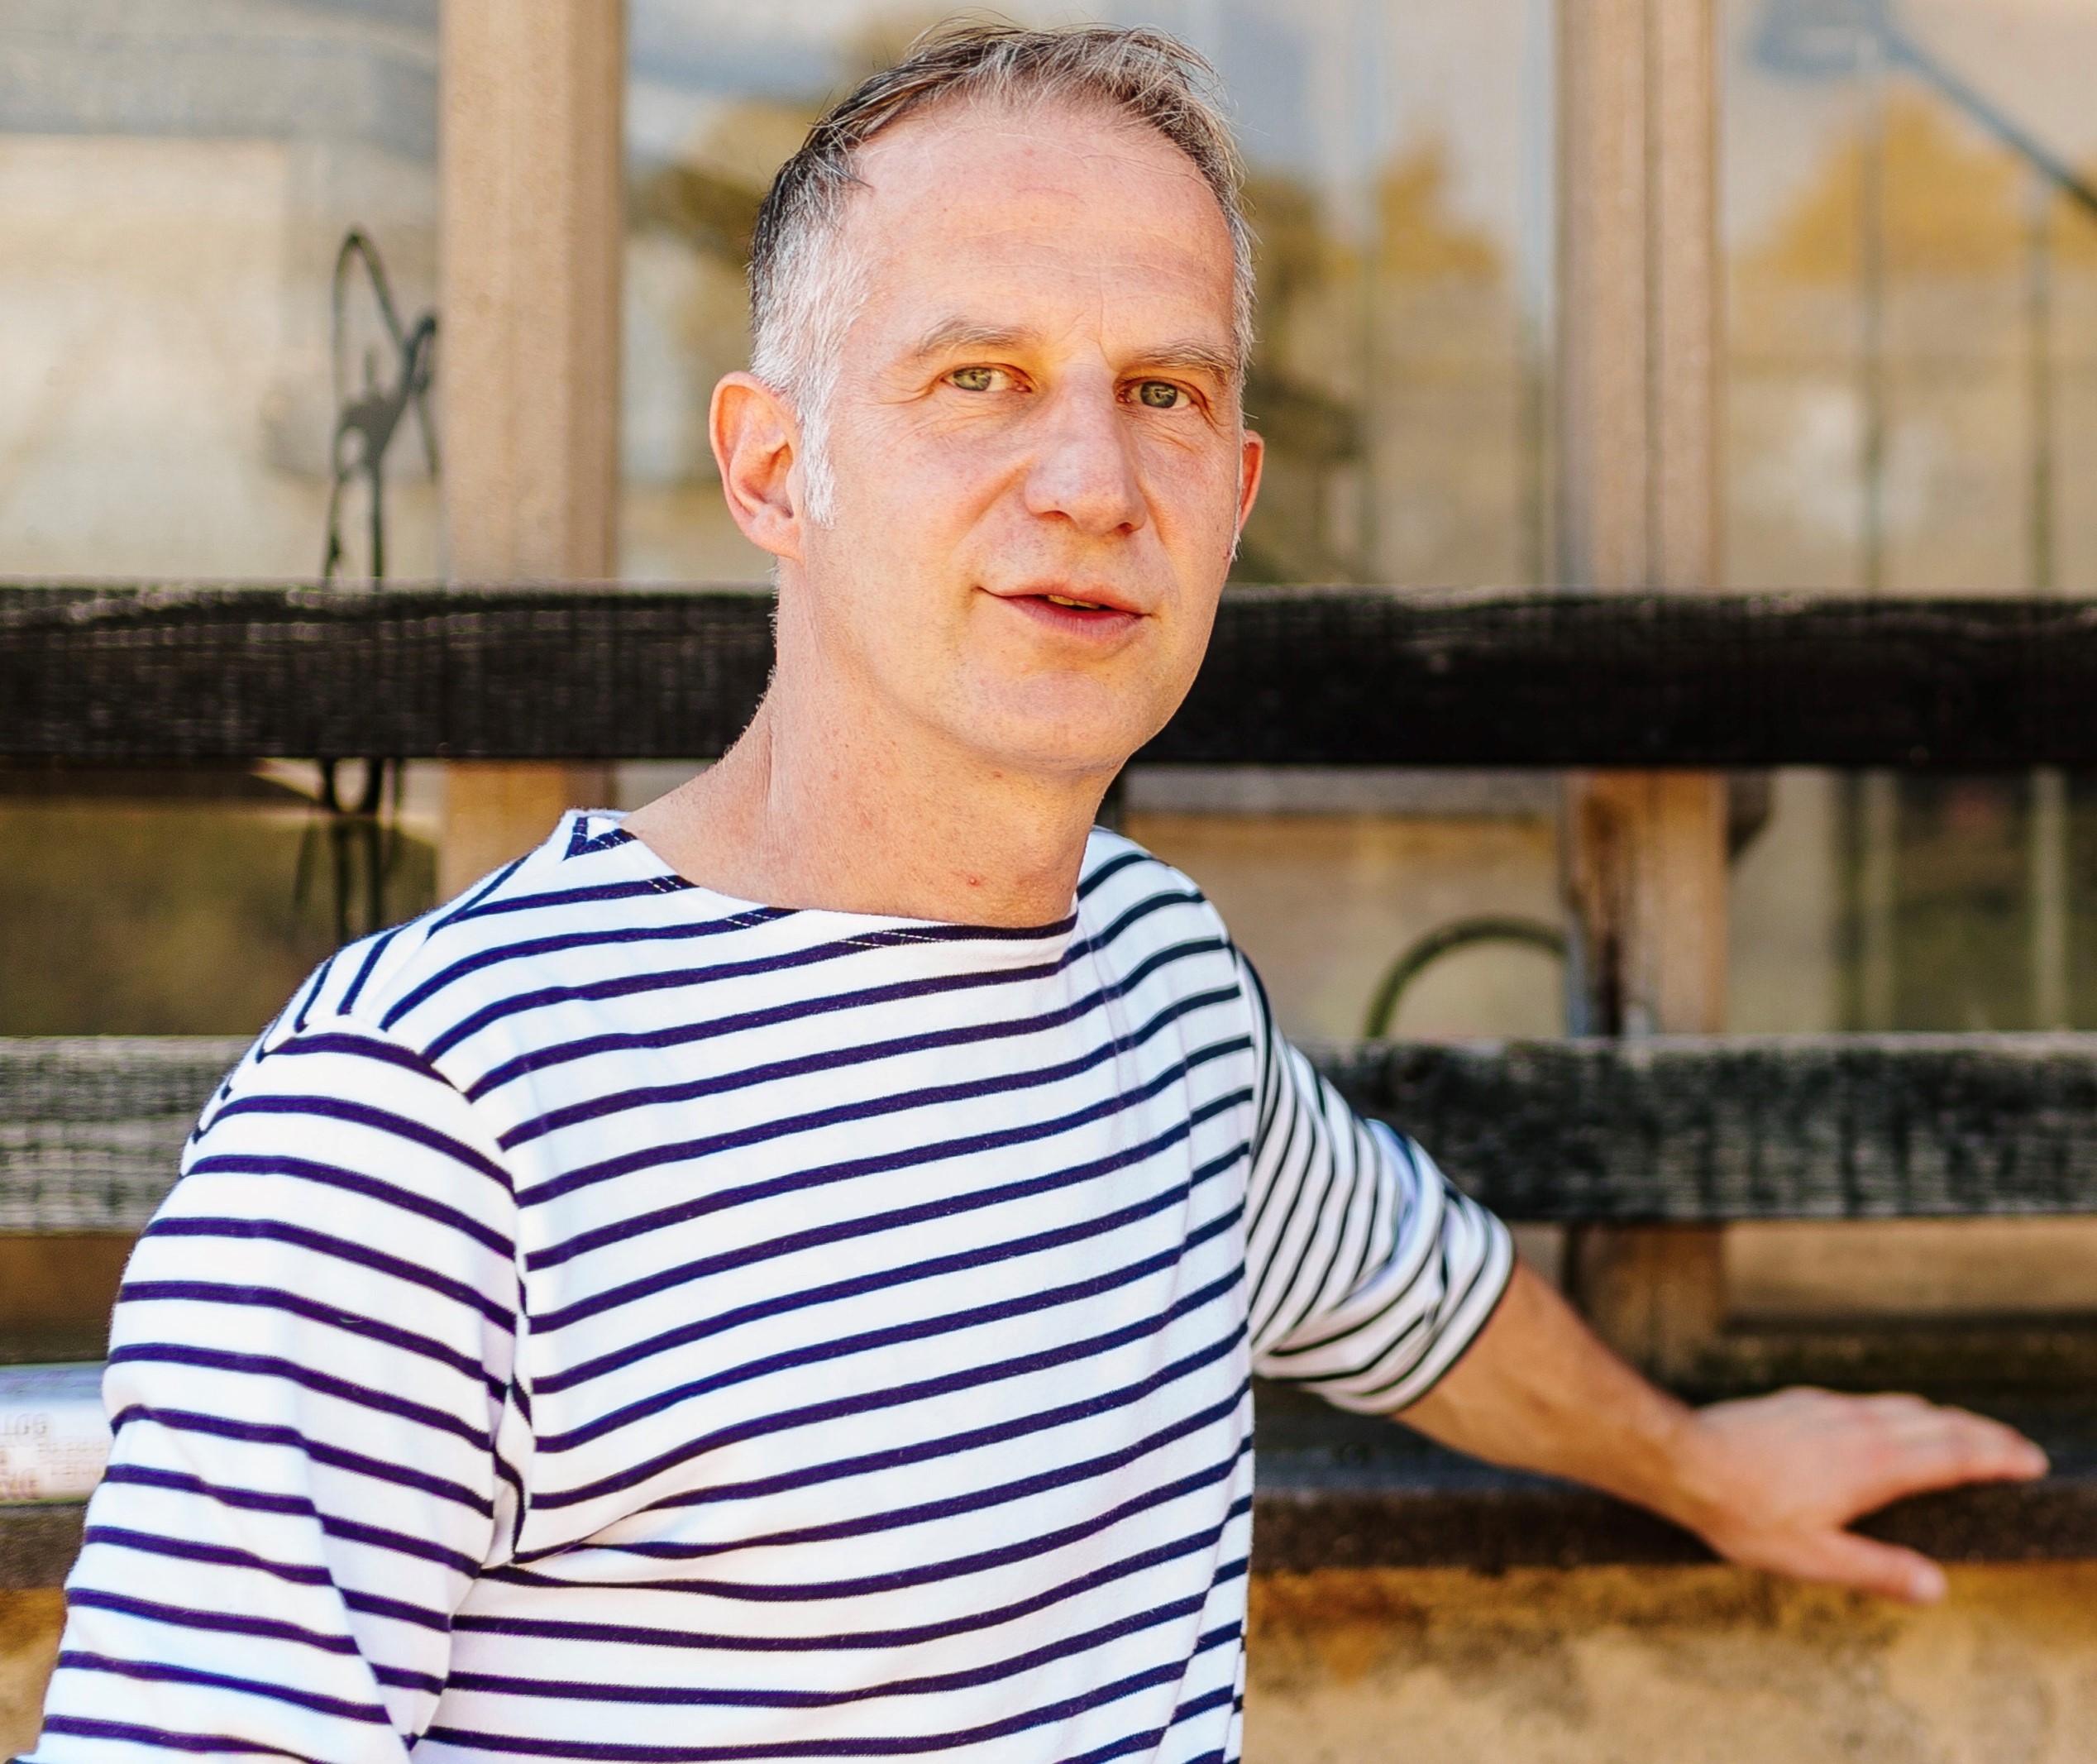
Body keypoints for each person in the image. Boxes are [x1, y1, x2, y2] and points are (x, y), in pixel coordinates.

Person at [26, 22, 2046, 1764]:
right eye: (977, 376)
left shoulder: (1157, 988)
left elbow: (1411, 1296)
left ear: (1233, 498)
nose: (1089, 479)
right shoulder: (430, 1119)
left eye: (1162, 391)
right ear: (771, 466)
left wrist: (1697, 1461)